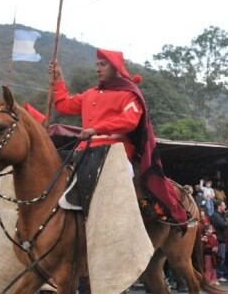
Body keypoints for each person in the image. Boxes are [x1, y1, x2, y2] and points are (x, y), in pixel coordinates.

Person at [43, 49, 188, 227]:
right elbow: (64, 105)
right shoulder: (90, 94)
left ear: (116, 68)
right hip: (83, 151)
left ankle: (124, 226)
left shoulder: (129, 95)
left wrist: (96, 129)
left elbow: (129, 121)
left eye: (103, 65)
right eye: (97, 65)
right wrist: (58, 79)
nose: (98, 69)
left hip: (114, 152)